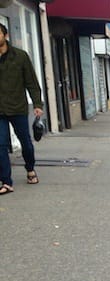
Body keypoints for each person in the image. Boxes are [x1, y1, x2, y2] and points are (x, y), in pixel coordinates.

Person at [0, 22, 43, 195]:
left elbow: (31, 82)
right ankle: (6, 181)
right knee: (0, 145)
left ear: (6, 36)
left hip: (17, 107)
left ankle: (30, 169)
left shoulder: (20, 56)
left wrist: (38, 104)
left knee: (25, 142)